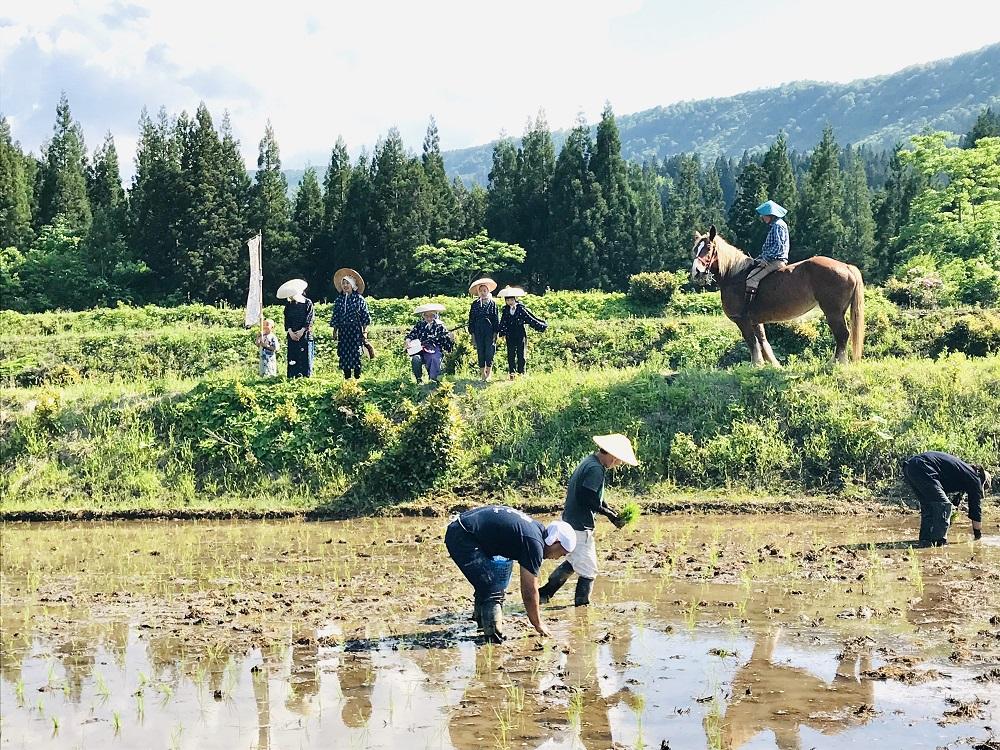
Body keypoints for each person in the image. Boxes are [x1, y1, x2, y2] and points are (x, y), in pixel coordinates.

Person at [445, 505, 576, 643]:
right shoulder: (534, 544)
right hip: (462, 536)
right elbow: (529, 591)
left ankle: (481, 623)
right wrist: (538, 624)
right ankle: (493, 638)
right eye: (562, 552)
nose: (558, 557)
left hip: (463, 528)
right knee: (493, 588)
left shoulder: (536, 530)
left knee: (486, 581)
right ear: (555, 541)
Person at [538, 434, 639, 607]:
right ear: (613, 456)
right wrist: (609, 515)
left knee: (573, 561)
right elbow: (586, 497)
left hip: (571, 521)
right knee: (589, 570)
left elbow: (594, 496)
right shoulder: (595, 469)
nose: (618, 464)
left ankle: (544, 593)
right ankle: (582, 606)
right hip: (579, 526)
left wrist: (611, 512)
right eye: (619, 460)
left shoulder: (591, 462)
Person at [903, 451, 991, 546]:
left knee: (929, 507)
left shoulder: (965, 472)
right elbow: (976, 510)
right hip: (924, 467)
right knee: (944, 505)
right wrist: (978, 536)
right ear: (982, 481)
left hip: (910, 467)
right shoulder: (975, 479)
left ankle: (925, 540)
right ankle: (938, 542)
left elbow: (952, 501)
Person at [739, 200, 790, 318]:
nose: (762, 218)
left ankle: (748, 310)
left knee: (752, 279)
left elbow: (778, 246)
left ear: (770, 215)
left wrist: (765, 259)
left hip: (775, 261)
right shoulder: (778, 225)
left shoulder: (778, 226)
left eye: (763, 215)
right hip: (772, 259)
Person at [496, 286, 547, 380]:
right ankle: (512, 373)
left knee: (521, 354)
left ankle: (521, 372)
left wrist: (541, 326)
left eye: (511, 300)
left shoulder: (521, 309)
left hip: (520, 333)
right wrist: (501, 333)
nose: (509, 302)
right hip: (510, 334)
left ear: (515, 299)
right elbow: (503, 322)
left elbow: (530, 319)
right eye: (507, 300)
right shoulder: (505, 310)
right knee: (511, 354)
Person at [330, 268, 371, 380]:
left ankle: (357, 378)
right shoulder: (339, 300)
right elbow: (336, 316)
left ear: (352, 285)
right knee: (344, 354)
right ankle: (347, 378)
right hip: (343, 331)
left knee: (356, 354)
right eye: (343, 283)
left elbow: (365, 317)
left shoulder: (359, 299)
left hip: (355, 331)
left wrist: (365, 332)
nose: (345, 285)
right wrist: (334, 331)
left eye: (347, 283)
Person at [406, 303, 454, 383]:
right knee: (416, 359)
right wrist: (408, 341)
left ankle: (434, 380)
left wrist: (450, 339)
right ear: (423, 316)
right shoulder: (420, 324)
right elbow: (411, 334)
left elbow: (446, 341)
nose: (429, 318)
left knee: (433, 358)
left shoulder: (440, 326)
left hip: (434, 349)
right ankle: (419, 380)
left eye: (431, 316)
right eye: (426, 316)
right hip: (420, 349)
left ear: (435, 316)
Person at [277, 279, 315, 378]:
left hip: (305, 334)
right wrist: (291, 332)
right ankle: (292, 376)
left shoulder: (308, 303)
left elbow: (310, 318)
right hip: (292, 334)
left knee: (304, 356)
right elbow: (287, 319)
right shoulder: (289, 305)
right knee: (293, 356)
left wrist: (302, 330)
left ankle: (305, 377)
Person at [467, 278, 499, 382]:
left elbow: (495, 319)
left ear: (488, 291)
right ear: (478, 292)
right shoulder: (475, 304)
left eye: (485, 290)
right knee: (480, 352)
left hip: (489, 330)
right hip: (478, 330)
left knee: (489, 352)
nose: (483, 292)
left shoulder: (493, 304)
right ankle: (482, 374)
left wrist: (496, 333)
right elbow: (471, 319)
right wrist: (472, 334)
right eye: (481, 291)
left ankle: (488, 374)